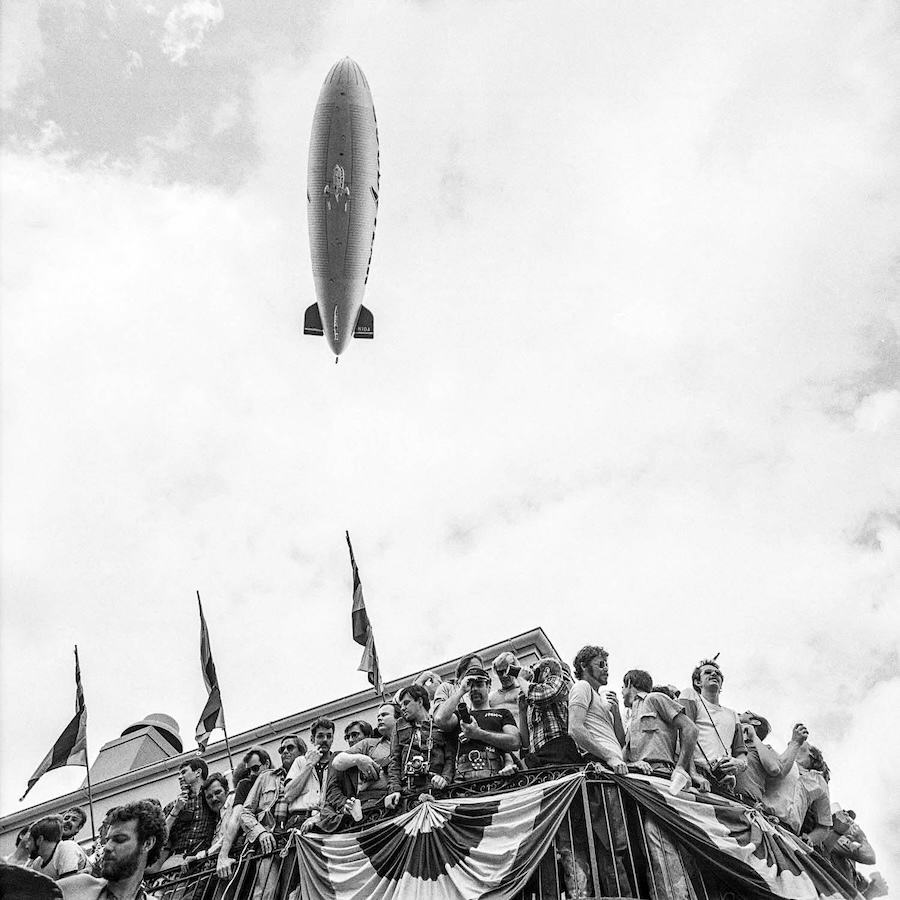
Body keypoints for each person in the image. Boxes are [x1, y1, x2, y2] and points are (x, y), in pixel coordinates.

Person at [568, 645, 634, 899]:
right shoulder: (582, 688)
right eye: (600, 664)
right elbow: (575, 728)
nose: (606, 669)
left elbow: (618, 739)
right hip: (602, 770)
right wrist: (607, 758)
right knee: (609, 842)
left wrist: (615, 713)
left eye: (607, 664)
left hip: (616, 770)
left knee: (621, 843)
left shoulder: (602, 700)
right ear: (584, 667)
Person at [59, 801, 167, 900]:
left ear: (147, 844)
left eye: (119, 840)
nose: (107, 847)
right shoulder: (75, 889)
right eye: (107, 840)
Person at [433, 666, 520, 782]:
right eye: (471, 685)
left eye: (479, 684)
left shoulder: (502, 713)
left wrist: (479, 734)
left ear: (489, 687)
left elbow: (515, 742)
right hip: (463, 780)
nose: (474, 689)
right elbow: (439, 719)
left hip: (495, 776)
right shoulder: (459, 715)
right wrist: (461, 691)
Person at [322, 702, 400, 830]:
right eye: (347, 737)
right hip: (368, 808)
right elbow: (337, 763)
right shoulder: (368, 745)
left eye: (384, 715)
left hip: (397, 804)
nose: (379, 718)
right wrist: (359, 759)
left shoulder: (408, 743)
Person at [678, 659, 747, 792]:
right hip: (698, 775)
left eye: (718, 673)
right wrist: (692, 773)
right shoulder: (691, 697)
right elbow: (684, 733)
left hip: (725, 783)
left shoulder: (733, 715)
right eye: (707, 672)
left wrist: (740, 764)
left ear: (721, 684)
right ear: (698, 682)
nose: (714, 674)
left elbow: (740, 751)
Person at [621, 669, 699, 783]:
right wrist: (634, 764)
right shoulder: (631, 720)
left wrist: (680, 767)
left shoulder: (654, 699)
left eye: (622, 688)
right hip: (637, 778)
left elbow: (691, 729)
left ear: (628, 683)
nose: (622, 693)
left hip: (661, 774)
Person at [761, 724, 832, 843]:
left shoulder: (819, 781)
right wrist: (795, 742)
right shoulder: (776, 757)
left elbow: (824, 826)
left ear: (812, 754)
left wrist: (810, 839)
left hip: (788, 832)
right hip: (762, 816)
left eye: (805, 742)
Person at [385, 685, 453, 809]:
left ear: (420, 701)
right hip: (409, 794)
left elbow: (450, 757)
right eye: (400, 705)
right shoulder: (399, 726)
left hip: (437, 790)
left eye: (406, 703)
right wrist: (395, 790)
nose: (403, 708)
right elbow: (394, 761)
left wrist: (444, 779)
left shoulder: (440, 723)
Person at [216, 747, 269, 880]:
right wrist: (223, 856)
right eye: (248, 770)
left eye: (255, 768)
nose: (252, 773)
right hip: (246, 845)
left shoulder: (277, 780)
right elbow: (235, 819)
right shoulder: (245, 785)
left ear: (267, 764)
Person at [157, 757, 215, 869]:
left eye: (184, 772)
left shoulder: (212, 799)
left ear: (198, 772)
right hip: (178, 858)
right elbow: (161, 838)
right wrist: (176, 810)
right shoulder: (172, 805)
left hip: (204, 857)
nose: (180, 777)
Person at [282, 717, 336, 832]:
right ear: (312, 739)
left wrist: (319, 816)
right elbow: (288, 795)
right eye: (320, 736)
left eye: (329, 736)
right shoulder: (301, 761)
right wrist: (309, 764)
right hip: (298, 820)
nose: (325, 740)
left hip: (325, 819)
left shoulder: (336, 764)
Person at [180, 773, 232, 870]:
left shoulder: (233, 805)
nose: (214, 799)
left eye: (217, 793)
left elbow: (229, 837)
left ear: (227, 791)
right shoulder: (214, 819)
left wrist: (201, 856)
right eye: (209, 797)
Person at [733, 712, 783, 803]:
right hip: (723, 796)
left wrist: (754, 737)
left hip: (747, 802)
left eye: (747, 712)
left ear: (756, 722)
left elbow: (774, 768)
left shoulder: (766, 749)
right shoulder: (731, 742)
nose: (739, 713)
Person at [28, 817, 86, 881]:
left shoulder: (67, 848)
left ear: (40, 840)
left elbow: (70, 886)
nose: (26, 846)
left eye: (29, 841)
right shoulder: (37, 864)